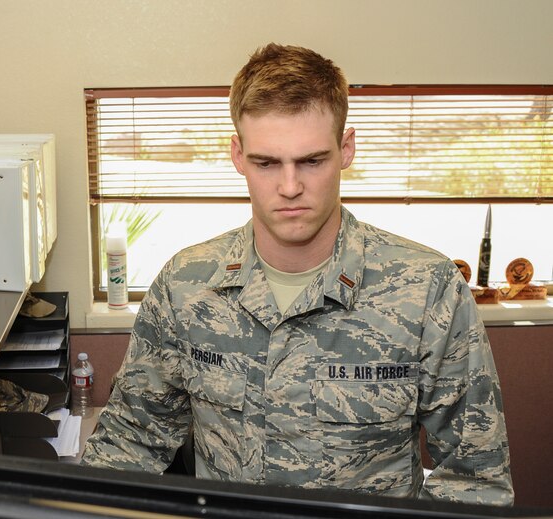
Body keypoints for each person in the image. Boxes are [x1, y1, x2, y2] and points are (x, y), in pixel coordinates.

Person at [82, 43, 513, 506]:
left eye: (312, 160)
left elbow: (475, 482)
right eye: (266, 163)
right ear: (237, 155)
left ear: (346, 149)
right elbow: (129, 444)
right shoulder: (186, 286)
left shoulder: (428, 290)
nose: (290, 188)